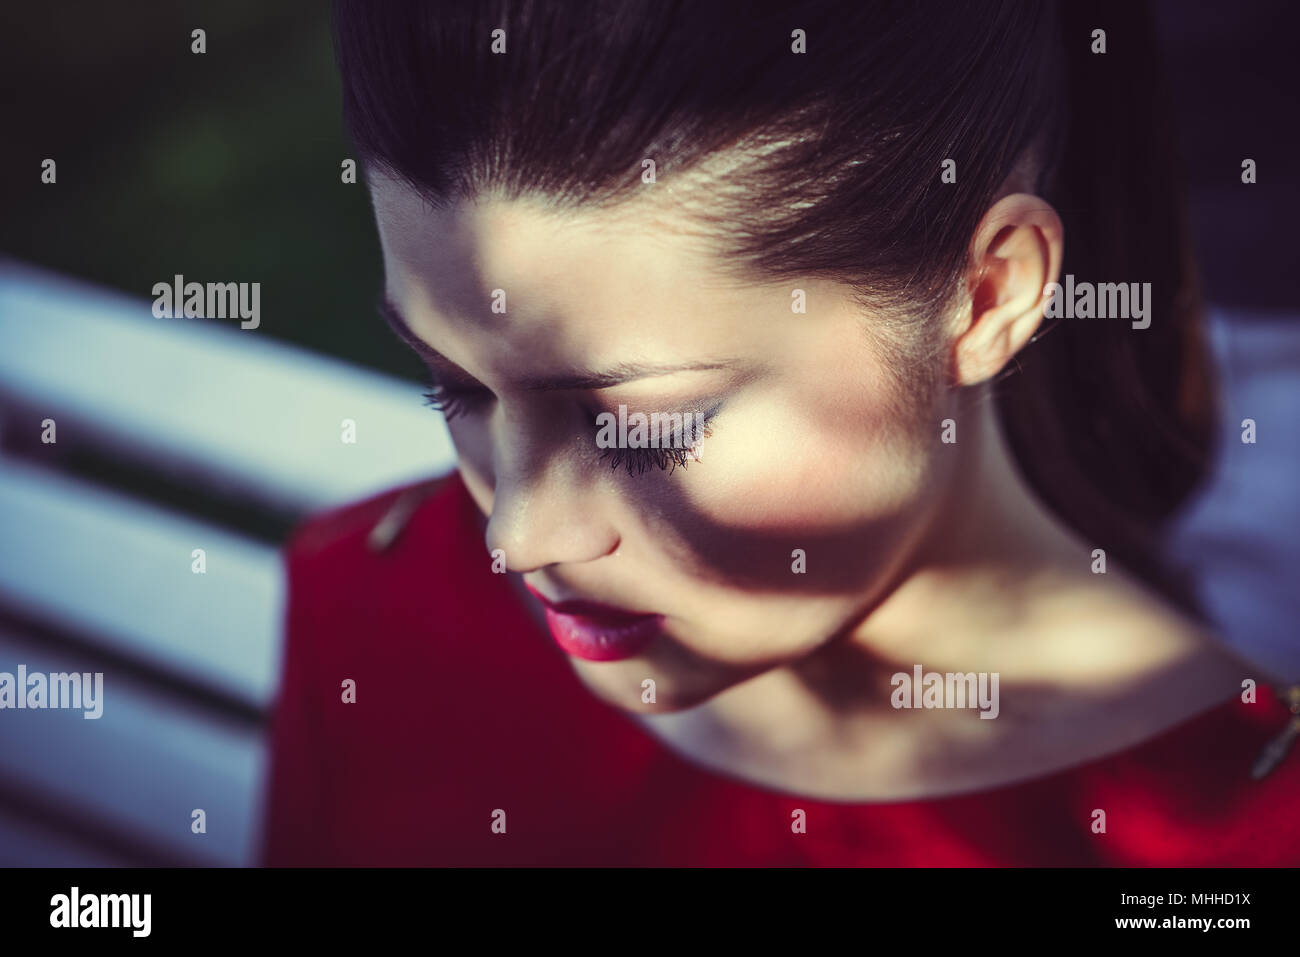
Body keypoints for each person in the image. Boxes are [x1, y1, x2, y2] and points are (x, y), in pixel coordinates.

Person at [259, 0, 1300, 865]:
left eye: (640, 423)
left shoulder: (1236, 839)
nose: (520, 535)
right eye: (455, 388)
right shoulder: (369, 603)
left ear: (985, 296)